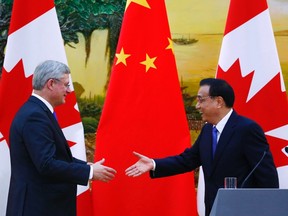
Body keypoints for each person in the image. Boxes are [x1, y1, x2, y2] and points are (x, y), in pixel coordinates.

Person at [125, 78, 279, 216]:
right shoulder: (208, 130)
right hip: (214, 209)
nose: (197, 106)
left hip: (243, 210)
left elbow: (266, 175)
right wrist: (153, 164)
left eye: (201, 100)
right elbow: (188, 160)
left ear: (218, 102)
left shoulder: (247, 129)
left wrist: (270, 210)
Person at [6, 60, 117, 216]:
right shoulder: (35, 116)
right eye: (66, 84)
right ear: (51, 83)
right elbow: (46, 164)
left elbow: (54, 156)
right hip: (37, 207)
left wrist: (86, 165)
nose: (70, 90)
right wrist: (89, 172)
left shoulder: (37, 111)